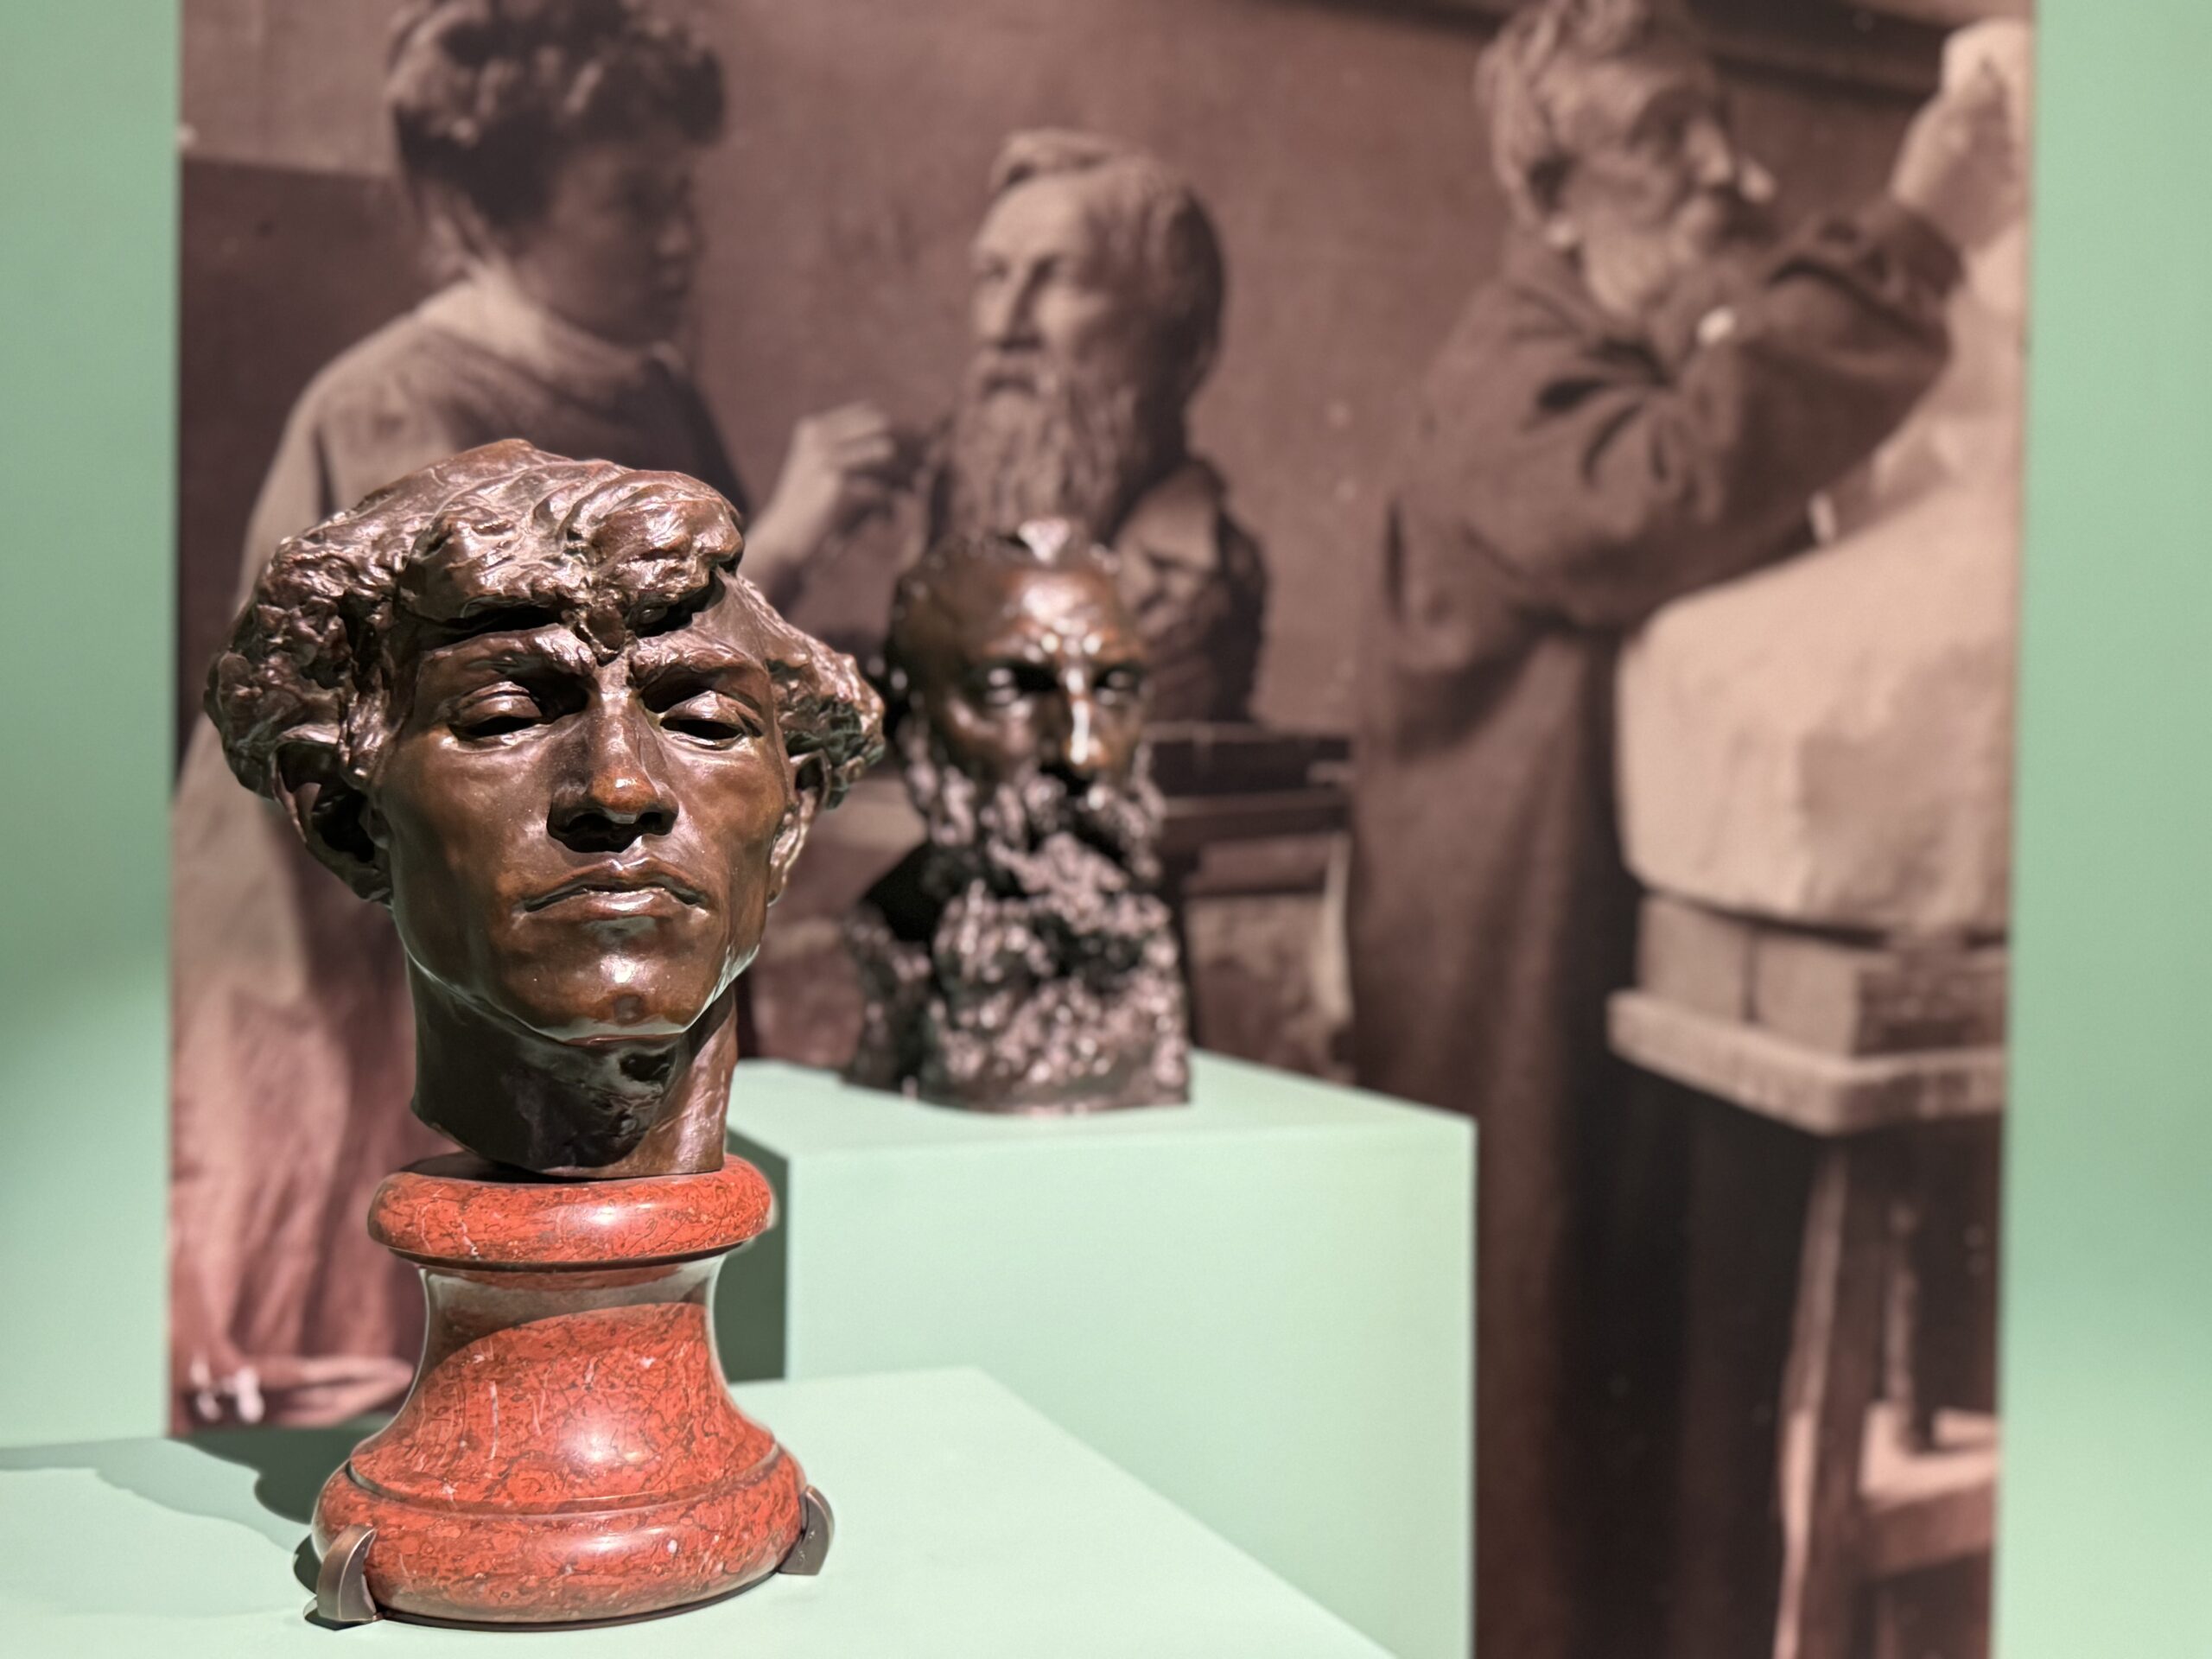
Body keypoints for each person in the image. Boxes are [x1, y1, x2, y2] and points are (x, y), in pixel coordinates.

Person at [1345, 3, 2019, 1655]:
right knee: (1552, 1448)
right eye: (1664, 139)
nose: (1731, 170)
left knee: (1689, 1430)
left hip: (1629, 982)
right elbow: (1664, 491)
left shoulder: (1641, 355)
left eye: (1718, 123)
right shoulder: (1513, 372)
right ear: (1552, 196)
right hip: (1520, 1006)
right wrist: (1915, 236)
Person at [170, 0, 903, 1428]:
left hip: (583, 932)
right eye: (633, 202)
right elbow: (503, 676)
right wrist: (795, 535)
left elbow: (685, 650)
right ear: (488, 210)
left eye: (685, 197)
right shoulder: (393, 401)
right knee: (382, 1291)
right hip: (370, 955)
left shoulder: (651, 388)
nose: (680, 239)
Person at [920, 131, 1268, 723]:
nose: (1003, 327)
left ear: (1181, 343)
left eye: (1060, 277)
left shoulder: (1191, 587)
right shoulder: (940, 517)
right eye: (994, 276)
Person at [845, 520, 1187, 1113]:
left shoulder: (1140, 940)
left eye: (1112, 688)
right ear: (912, 723)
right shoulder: (891, 931)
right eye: (1010, 689)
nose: (1084, 751)